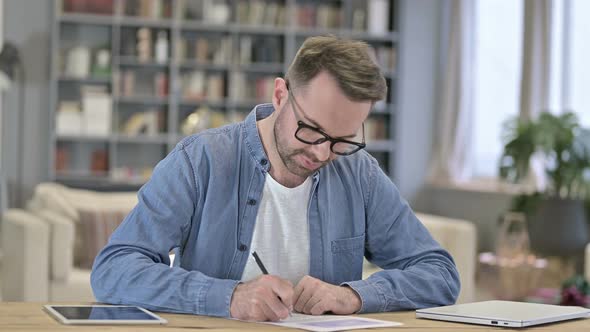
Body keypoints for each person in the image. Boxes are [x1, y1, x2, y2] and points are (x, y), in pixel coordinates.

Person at [91, 36, 460, 322]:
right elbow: (115, 268)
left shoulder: (358, 174)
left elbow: (440, 274)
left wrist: (353, 296)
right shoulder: (200, 161)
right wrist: (230, 298)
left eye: (341, 140)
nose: (321, 153)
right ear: (281, 94)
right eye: (311, 130)